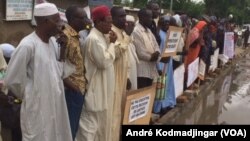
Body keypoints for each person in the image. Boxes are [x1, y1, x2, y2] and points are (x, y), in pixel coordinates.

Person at [4, 2, 73, 141]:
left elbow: (60, 73)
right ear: (46, 22)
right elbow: (12, 79)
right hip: (37, 106)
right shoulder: (27, 45)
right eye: (57, 20)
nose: (60, 24)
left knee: (57, 134)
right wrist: (31, 95)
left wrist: (63, 50)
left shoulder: (54, 42)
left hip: (56, 103)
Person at [75, 5, 117, 141]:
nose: (111, 24)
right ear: (98, 22)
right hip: (95, 90)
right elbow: (104, 62)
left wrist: (110, 42)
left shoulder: (102, 37)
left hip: (103, 90)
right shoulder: (93, 39)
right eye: (109, 21)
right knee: (88, 130)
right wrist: (112, 44)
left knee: (98, 129)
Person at [60, 5, 89, 140]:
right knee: (69, 128)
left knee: (74, 127)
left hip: (78, 88)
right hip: (71, 90)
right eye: (82, 18)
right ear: (71, 19)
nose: (86, 20)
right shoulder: (65, 36)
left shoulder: (76, 36)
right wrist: (73, 86)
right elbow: (59, 65)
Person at [110, 6, 131, 141]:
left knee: (120, 110)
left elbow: (126, 58)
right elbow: (115, 53)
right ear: (112, 18)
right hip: (113, 76)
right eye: (121, 16)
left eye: (124, 16)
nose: (124, 19)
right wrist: (127, 36)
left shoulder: (122, 32)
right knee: (113, 112)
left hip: (122, 76)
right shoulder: (110, 32)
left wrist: (127, 76)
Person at [132, 8, 160, 89]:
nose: (151, 19)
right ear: (141, 17)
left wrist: (157, 53)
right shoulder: (136, 31)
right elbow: (140, 52)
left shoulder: (148, 30)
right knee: (142, 94)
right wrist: (151, 57)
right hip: (142, 70)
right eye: (149, 17)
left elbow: (156, 45)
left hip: (151, 68)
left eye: (151, 17)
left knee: (149, 93)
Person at [125, 15, 139, 90]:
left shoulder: (131, 38)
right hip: (126, 75)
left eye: (133, 25)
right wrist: (126, 78)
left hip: (133, 72)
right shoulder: (122, 38)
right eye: (130, 24)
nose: (132, 27)